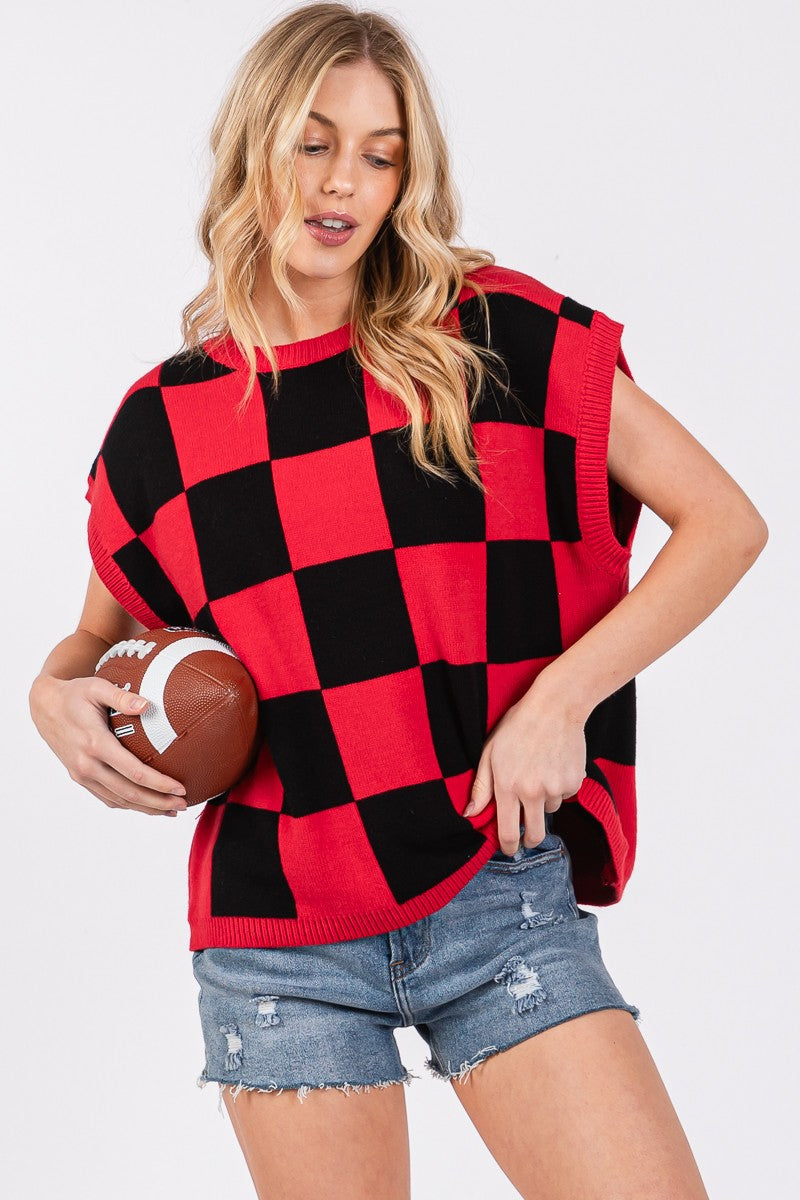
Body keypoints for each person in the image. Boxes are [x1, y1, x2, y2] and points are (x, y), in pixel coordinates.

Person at [29, 4, 767, 1198]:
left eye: (379, 156)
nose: (344, 184)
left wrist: (558, 702)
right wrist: (48, 695)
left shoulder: (492, 336)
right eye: (314, 143)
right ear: (252, 147)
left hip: (492, 888)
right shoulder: (160, 427)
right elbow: (95, 637)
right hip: (279, 938)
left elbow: (723, 524)